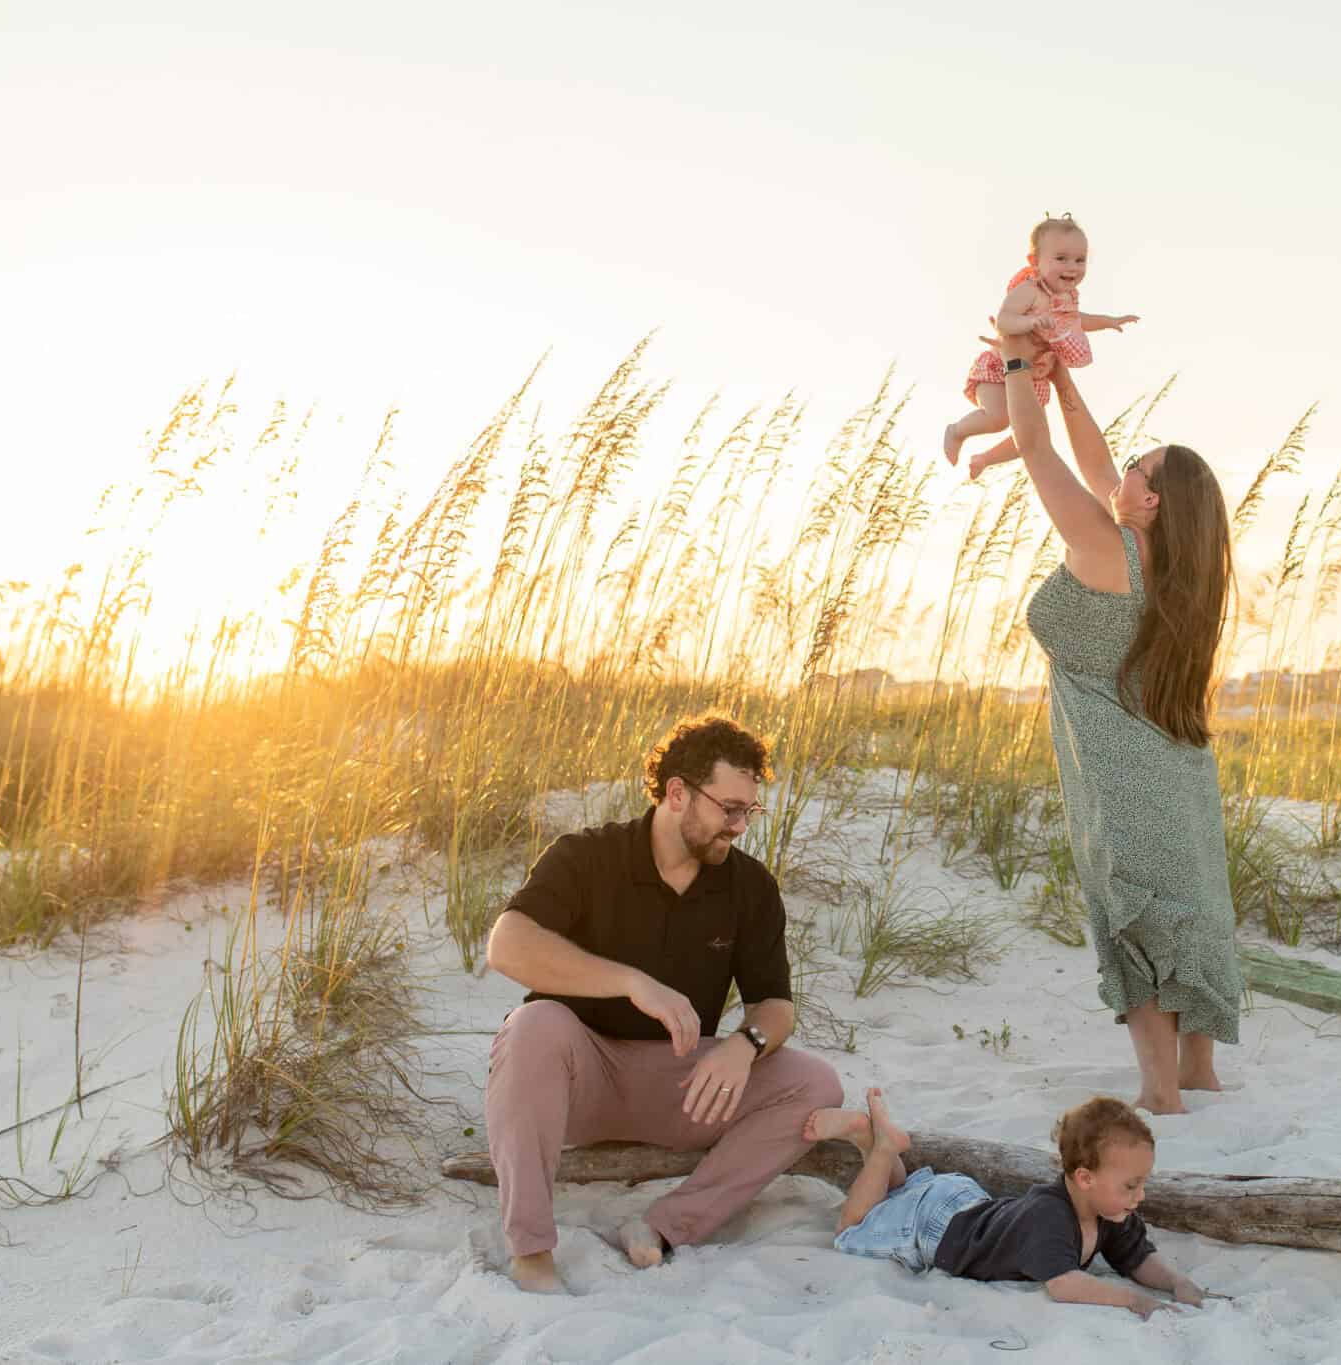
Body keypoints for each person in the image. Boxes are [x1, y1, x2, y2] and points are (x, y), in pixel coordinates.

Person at [482, 712, 843, 1293]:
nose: (740, 827)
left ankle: (664, 1224)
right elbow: (507, 945)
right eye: (729, 809)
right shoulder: (588, 856)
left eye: (749, 811)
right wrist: (631, 981)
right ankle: (531, 1252)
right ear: (677, 793)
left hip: (680, 1083)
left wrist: (743, 1047)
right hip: (577, 1079)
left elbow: (775, 1003)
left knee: (816, 1082)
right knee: (533, 1025)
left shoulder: (749, 887)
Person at [995, 326, 1244, 1114]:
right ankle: (1198, 1072)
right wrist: (1062, 377)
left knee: (1136, 916)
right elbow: (1096, 462)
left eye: (1137, 470)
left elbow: (1037, 451)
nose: (1122, 470)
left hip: (1125, 778)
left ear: (1150, 499)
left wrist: (1011, 359)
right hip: (1180, 774)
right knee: (1190, 910)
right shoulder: (1183, 574)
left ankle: (1160, 1093)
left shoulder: (1104, 548)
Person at [806, 1089, 1209, 1317]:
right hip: (934, 1230)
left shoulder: (1111, 1211)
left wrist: (1176, 1282)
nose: (1140, 1197)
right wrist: (1138, 1302)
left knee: (896, 1196)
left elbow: (1136, 1258)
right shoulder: (1051, 1218)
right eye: (1131, 1186)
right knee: (853, 1228)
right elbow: (1065, 1285)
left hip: (963, 1202)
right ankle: (877, 1148)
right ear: (1085, 1178)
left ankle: (874, 1142)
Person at [943, 214, 1140, 478]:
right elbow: (1004, 320)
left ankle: (984, 459)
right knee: (998, 418)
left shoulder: (1066, 297)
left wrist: (1108, 321)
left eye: (1080, 260)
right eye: (1061, 259)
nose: (1072, 267)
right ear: (1035, 262)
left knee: (1031, 436)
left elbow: (1075, 322)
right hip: (1000, 368)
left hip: (1032, 374)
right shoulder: (1030, 290)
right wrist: (1032, 321)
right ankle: (956, 431)